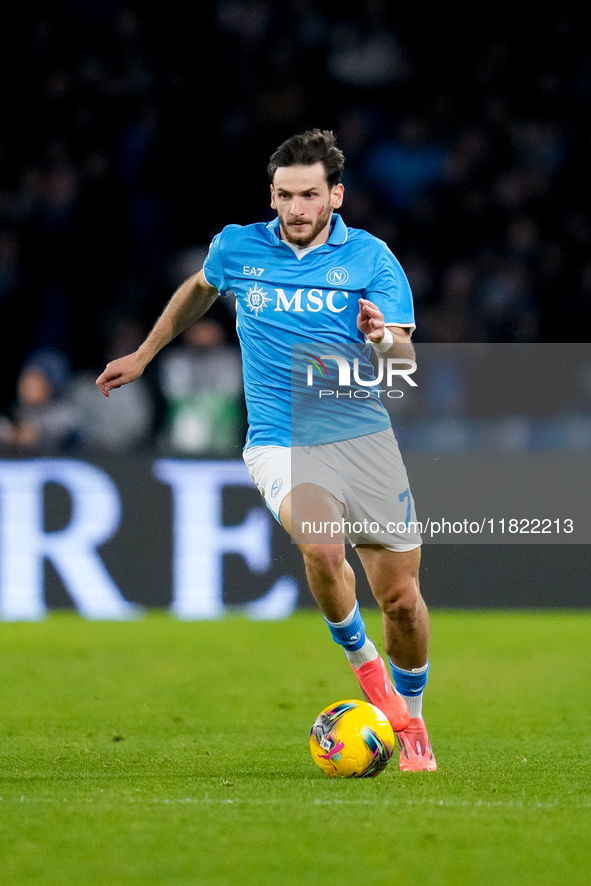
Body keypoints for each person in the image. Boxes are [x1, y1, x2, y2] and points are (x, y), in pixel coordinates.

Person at [96, 129, 436, 772]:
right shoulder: (238, 246)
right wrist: (145, 353)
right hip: (281, 438)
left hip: (361, 436)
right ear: (272, 196)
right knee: (321, 544)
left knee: (402, 602)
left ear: (336, 195)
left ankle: (413, 719)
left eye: (310, 194)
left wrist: (380, 338)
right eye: (285, 195)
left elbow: (403, 358)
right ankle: (370, 677)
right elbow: (200, 287)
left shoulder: (371, 259)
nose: (297, 208)